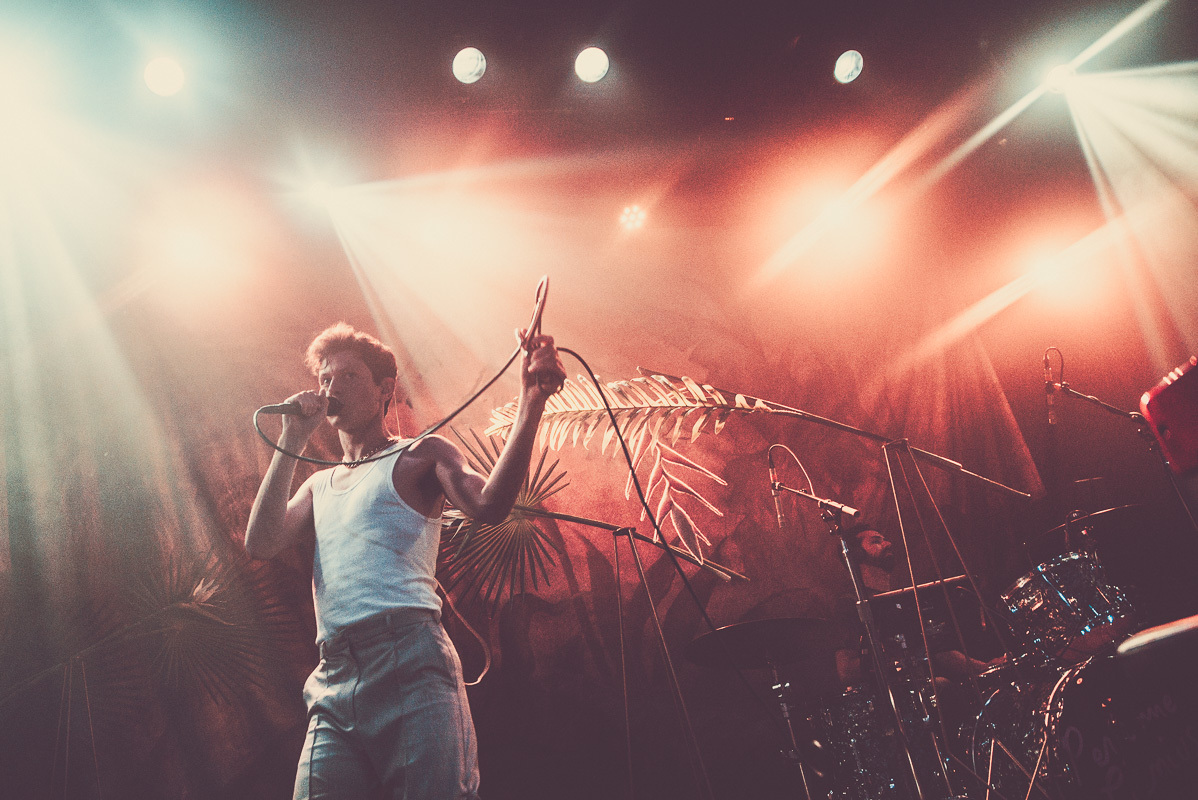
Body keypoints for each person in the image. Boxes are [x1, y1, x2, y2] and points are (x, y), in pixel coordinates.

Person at [245, 322, 565, 800]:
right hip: (334, 678)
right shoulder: (318, 486)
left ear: (384, 390)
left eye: (349, 376)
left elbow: (490, 505)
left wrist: (531, 402)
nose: (331, 387)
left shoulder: (421, 455)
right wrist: (292, 436)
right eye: (326, 379)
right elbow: (261, 543)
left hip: (410, 664)